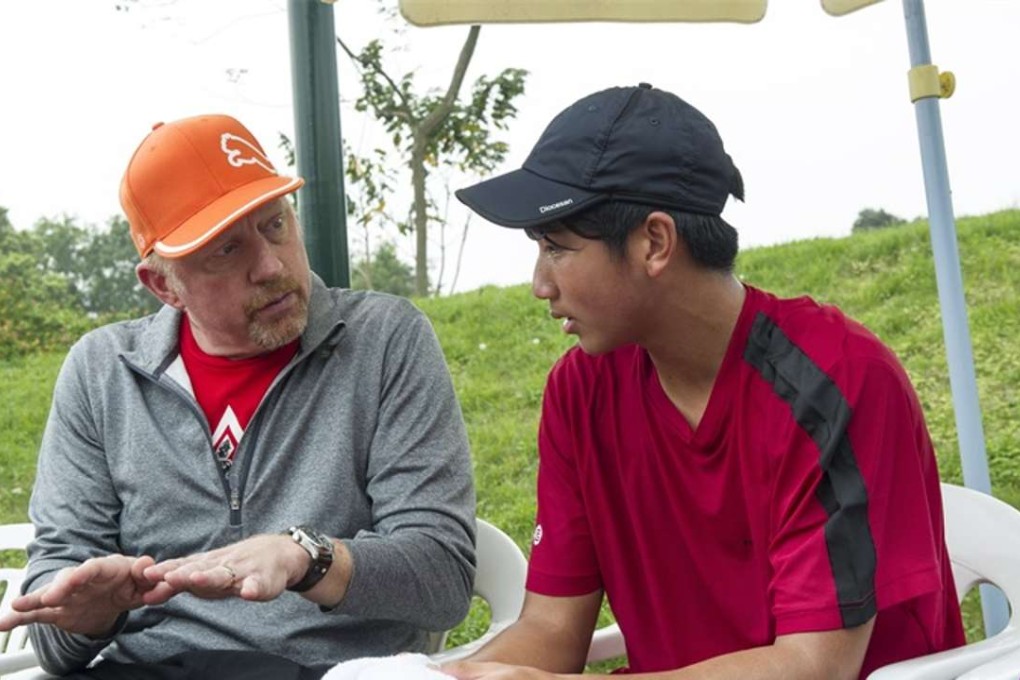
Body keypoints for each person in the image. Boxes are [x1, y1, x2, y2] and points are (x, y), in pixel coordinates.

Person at [443, 83, 964, 680]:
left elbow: (813, 668)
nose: (540, 283)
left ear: (655, 243)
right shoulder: (580, 392)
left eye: (557, 248)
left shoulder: (838, 381)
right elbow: (552, 629)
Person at [0, 114, 476, 678]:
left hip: (332, 671)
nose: (271, 266)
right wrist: (89, 613)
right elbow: (53, 641)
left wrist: (306, 557)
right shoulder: (102, 371)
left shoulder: (384, 340)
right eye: (227, 251)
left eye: (276, 225)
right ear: (163, 285)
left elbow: (442, 578)